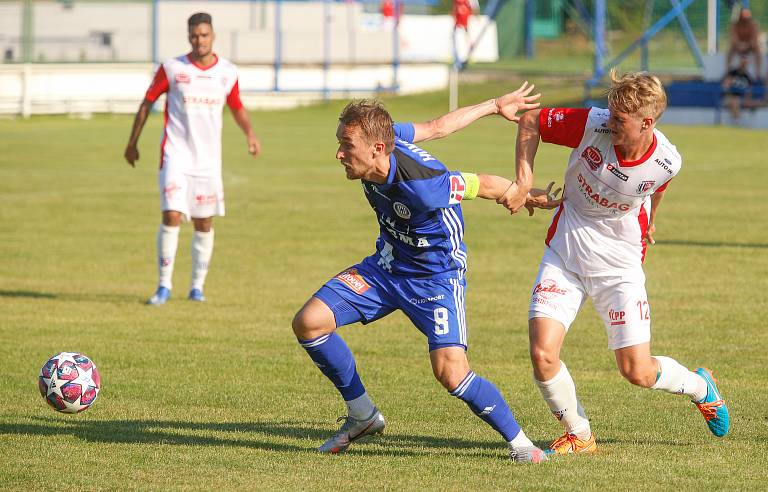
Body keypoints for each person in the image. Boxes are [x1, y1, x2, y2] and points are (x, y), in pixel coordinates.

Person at [292, 85, 561, 463]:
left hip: (435, 278)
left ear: (377, 149)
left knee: (451, 374)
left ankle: (522, 445)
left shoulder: (421, 186)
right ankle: (362, 415)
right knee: (310, 322)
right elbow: (436, 126)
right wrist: (493, 104)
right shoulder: (385, 136)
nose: (339, 153)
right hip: (386, 267)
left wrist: (523, 193)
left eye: (346, 145)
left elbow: (480, 184)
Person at [499, 71, 730, 456]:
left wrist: (652, 219)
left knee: (636, 372)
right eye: (610, 112)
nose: (610, 122)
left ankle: (700, 387)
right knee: (542, 354)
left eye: (620, 119)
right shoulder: (592, 124)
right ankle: (580, 434)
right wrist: (524, 181)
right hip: (566, 251)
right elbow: (531, 120)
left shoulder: (667, 161)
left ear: (647, 122)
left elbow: (657, 185)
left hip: (619, 265)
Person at [124, 12, 261, 305]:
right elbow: (147, 103)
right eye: (194, 35)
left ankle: (197, 287)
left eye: (204, 35)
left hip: (208, 161)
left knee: (203, 222)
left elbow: (236, 105)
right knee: (172, 214)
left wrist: (250, 134)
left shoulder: (227, 71)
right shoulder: (172, 68)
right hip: (176, 154)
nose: (199, 40)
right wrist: (132, 142)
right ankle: (163, 286)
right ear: (189, 36)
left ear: (213, 36)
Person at [725, 8, 762, 80]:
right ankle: (728, 70)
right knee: (730, 49)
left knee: (758, 49)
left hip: (750, 46)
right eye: (743, 16)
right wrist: (739, 44)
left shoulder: (753, 25)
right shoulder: (735, 25)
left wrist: (747, 45)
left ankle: (758, 72)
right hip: (738, 46)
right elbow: (733, 38)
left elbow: (755, 38)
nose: (745, 18)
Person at [721, 56, 755, 122]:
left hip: (741, 99)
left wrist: (747, 99)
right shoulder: (732, 73)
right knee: (735, 101)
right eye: (742, 63)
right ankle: (737, 121)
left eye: (745, 64)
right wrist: (729, 94)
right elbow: (725, 86)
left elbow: (749, 91)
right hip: (728, 98)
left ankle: (738, 120)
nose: (743, 65)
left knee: (738, 101)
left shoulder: (747, 77)